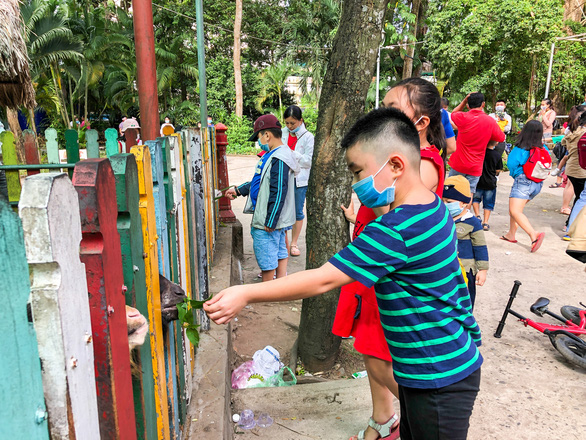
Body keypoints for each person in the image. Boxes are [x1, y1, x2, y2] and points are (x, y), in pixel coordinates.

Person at [205, 107, 483, 440]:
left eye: (357, 172)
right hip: (440, 362)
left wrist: (246, 293)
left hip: (437, 375)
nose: (356, 183)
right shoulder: (430, 206)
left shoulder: (396, 231)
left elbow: (323, 278)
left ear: (395, 165)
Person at [337, 78, 450, 440]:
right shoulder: (388, 161)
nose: (382, 113)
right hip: (374, 267)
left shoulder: (425, 165)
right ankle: (382, 416)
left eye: (393, 107)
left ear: (421, 121)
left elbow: (401, 219)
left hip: (390, 271)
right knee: (369, 350)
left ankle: (432, 413)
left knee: (377, 355)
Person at [225, 114, 300, 282]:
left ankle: (268, 291)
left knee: (267, 258)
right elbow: (260, 180)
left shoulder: (279, 158)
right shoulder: (273, 154)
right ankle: (280, 286)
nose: (258, 142)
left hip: (269, 219)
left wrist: (270, 220)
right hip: (273, 218)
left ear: (267, 135)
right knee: (279, 252)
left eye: (259, 137)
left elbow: (278, 190)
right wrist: (239, 190)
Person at [382, 77, 447, 196]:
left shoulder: (424, 165)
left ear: (421, 123)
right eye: (383, 108)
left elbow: (392, 212)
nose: (381, 116)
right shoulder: (398, 155)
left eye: (392, 110)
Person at [500, 120, 548, 252]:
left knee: (515, 211)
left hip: (523, 182)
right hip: (537, 184)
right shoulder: (543, 148)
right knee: (515, 210)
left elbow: (511, 164)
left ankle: (533, 235)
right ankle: (511, 234)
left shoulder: (520, 149)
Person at [443, 175, 488, 309]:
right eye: (443, 201)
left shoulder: (472, 222)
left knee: (465, 300)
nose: (445, 205)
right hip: (447, 268)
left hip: (466, 269)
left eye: (449, 201)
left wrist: (483, 270)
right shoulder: (443, 218)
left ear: (463, 203)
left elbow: (480, 247)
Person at [449, 92, 506, 196]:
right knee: (469, 192)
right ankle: (465, 211)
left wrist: (464, 101)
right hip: (475, 165)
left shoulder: (462, 117)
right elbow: (501, 138)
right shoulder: (490, 121)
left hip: (458, 163)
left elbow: (453, 113)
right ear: (483, 104)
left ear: (467, 105)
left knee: (450, 190)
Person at [281, 105, 314, 257]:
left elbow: (308, 161)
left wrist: (292, 154)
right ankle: (284, 243)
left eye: (292, 123)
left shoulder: (308, 137)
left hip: (299, 180)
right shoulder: (282, 133)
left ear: (300, 121)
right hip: (283, 177)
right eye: (287, 123)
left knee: (297, 212)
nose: (289, 126)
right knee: (282, 209)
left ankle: (293, 243)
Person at [561, 108, 586, 239]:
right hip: (582, 170)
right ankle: (571, 227)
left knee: (579, 198)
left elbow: (563, 143)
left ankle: (569, 226)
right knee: (581, 199)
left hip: (571, 169)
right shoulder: (584, 134)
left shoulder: (572, 131)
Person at [472, 142, 503, 230]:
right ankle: (485, 222)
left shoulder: (479, 153)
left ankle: (477, 216)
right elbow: (498, 169)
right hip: (490, 182)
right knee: (488, 203)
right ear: (496, 143)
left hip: (478, 180)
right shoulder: (497, 155)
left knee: (475, 199)